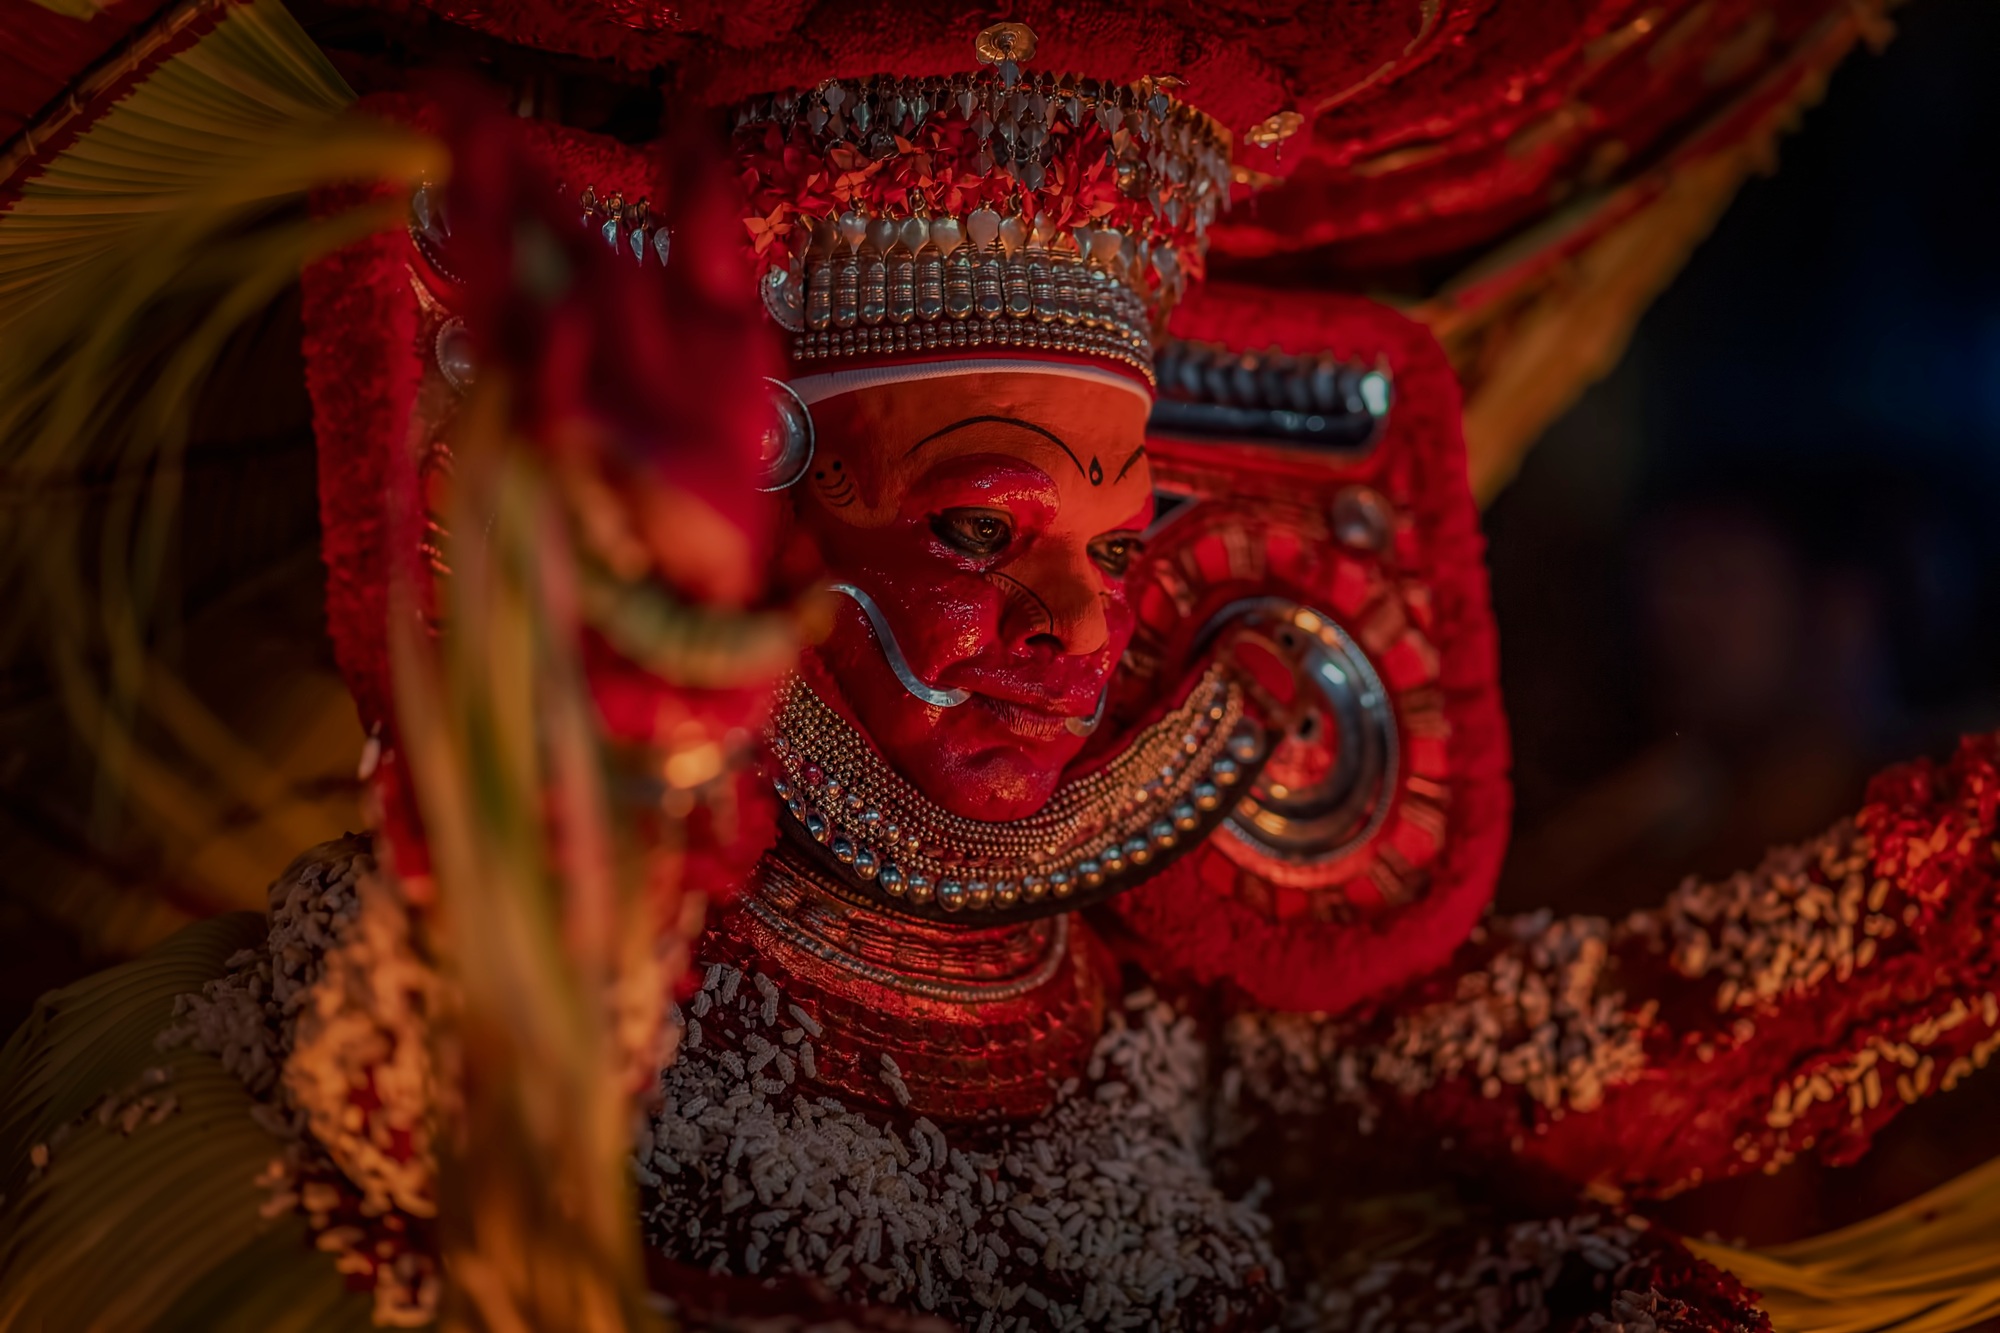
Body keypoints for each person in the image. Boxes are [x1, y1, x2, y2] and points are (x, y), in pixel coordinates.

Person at [6, 1, 1998, 1329]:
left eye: (1116, 547)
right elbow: (452, 1108)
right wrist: (652, 687)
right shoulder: (488, 953)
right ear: (768, 513)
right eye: (978, 527)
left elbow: (1608, 1057)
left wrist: (1951, 894)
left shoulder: (1126, 1018)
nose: (1078, 626)